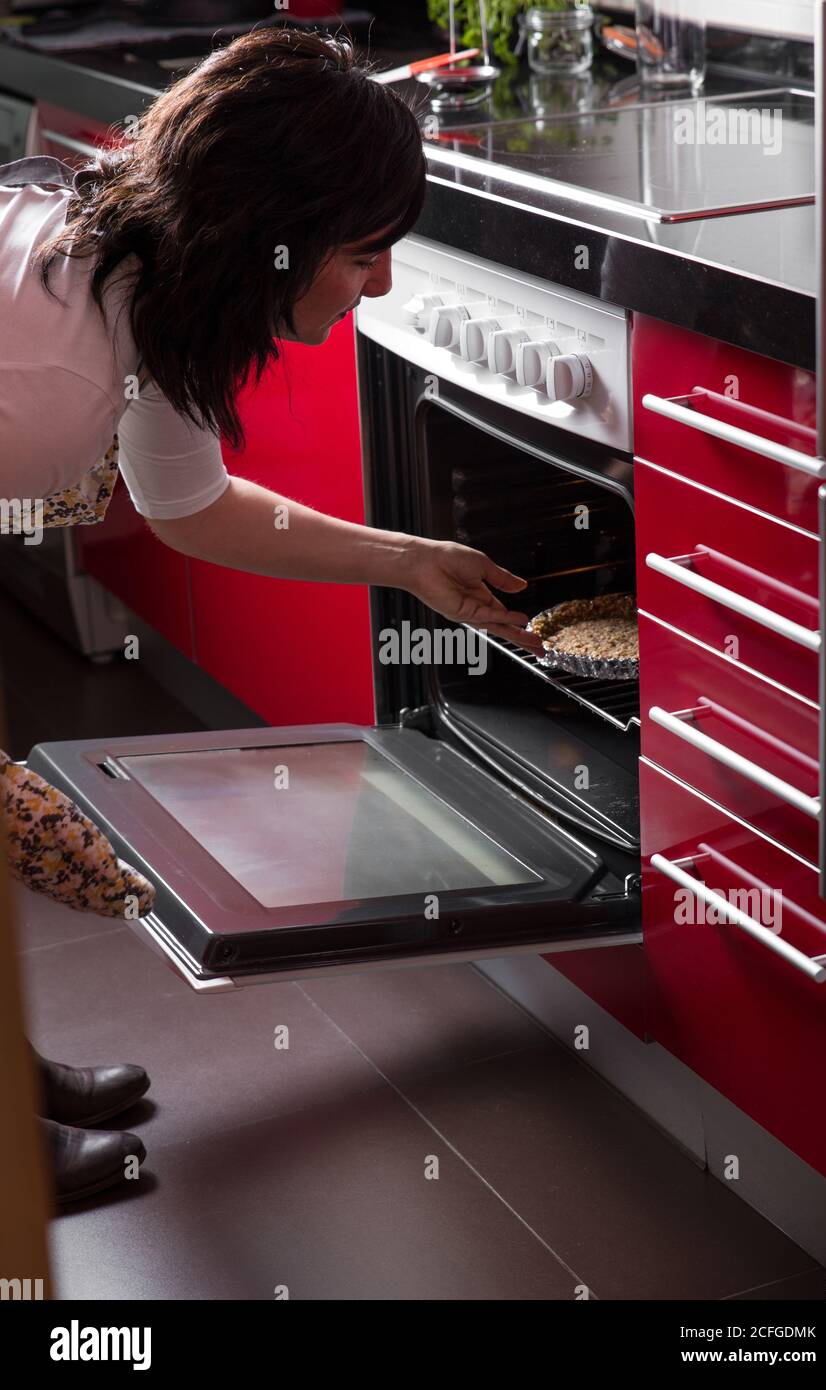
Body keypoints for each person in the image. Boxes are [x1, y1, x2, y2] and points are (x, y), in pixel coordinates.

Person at [0, 25, 543, 1205]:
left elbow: (188, 507)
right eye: (361, 254)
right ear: (264, 239)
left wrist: (405, 560)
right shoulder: (55, 379)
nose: (382, 283)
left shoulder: (144, 285)